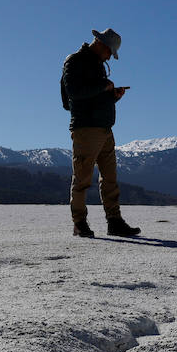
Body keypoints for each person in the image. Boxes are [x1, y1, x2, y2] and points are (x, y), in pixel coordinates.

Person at [61, 28, 141, 238]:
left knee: (110, 178)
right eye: (110, 53)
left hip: (104, 128)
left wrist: (112, 96)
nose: (110, 58)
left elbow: (93, 95)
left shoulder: (96, 64)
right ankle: (79, 223)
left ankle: (114, 221)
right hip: (86, 128)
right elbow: (74, 94)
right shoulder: (75, 61)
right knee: (82, 178)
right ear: (102, 45)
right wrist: (103, 87)